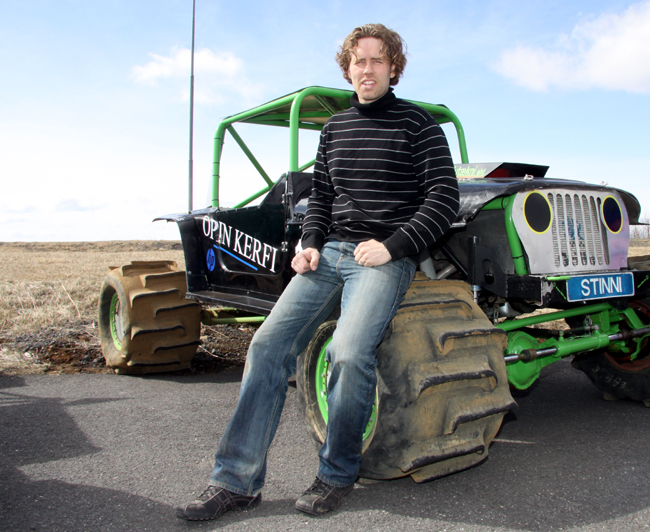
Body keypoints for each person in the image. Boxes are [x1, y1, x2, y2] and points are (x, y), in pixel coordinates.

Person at [176, 23, 459, 521]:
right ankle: (235, 481)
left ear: (394, 68)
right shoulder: (335, 129)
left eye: (377, 60)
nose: (367, 69)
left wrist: (391, 247)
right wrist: (308, 244)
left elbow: (443, 200)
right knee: (267, 347)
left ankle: (336, 474)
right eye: (358, 60)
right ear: (347, 68)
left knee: (347, 353)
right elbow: (321, 199)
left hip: (381, 259)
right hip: (328, 255)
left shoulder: (420, 126)